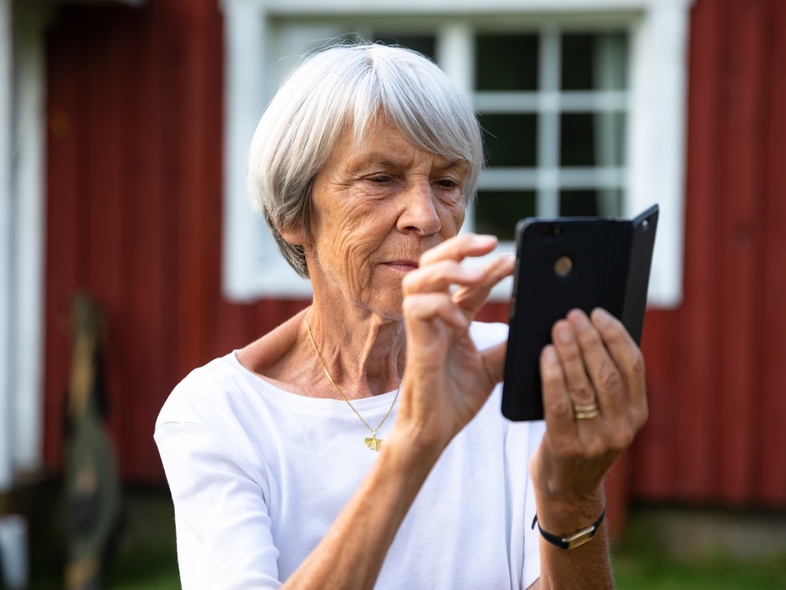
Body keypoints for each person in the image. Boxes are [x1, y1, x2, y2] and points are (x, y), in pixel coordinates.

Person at [155, 42, 648, 589]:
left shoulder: (504, 368)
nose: (426, 216)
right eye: (380, 178)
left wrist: (572, 499)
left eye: (446, 182)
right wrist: (415, 441)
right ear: (293, 213)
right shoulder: (220, 414)